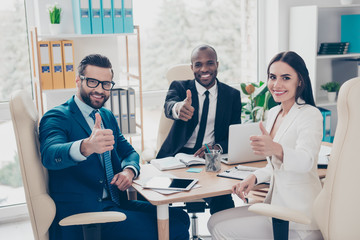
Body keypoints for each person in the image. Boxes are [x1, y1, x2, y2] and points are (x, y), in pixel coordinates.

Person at [39, 54, 190, 240]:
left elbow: (129, 152)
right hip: (87, 215)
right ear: (78, 81)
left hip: (115, 203)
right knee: (175, 229)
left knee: (179, 217)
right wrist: (86, 146)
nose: (100, 90)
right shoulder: (57, 116)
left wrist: (129, 171)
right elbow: (50, 154)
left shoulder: (106, 115)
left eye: (106, 84)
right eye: (93, 82)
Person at [207, 51, 324, 240]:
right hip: (276, 208)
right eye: (272, 77)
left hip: (299, 217)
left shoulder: (310, 114)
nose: (277, 85)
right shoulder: (274, 112)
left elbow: (306, 162)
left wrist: (275, 148)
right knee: (213, 221)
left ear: (300, 80)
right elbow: (274, 166)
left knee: (222, 230)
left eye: (286, 78)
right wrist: (253, 177)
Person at [157, 44, 242, 214]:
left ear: (217, 64)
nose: (204, 69)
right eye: (198, 64)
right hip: (179, 157)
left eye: (209, 63)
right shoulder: (180, 87)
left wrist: (217, 147)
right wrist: (178, 108)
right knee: (154, 197)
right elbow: (169, 105)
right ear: (192, 67)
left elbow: (234, 135)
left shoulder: (232, 95)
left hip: (210, 158)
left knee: (224, 202)